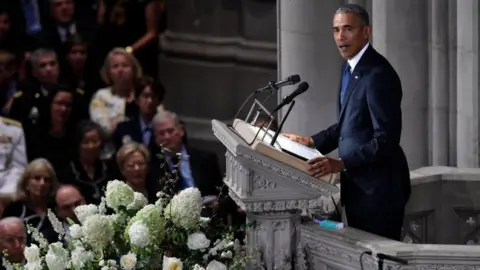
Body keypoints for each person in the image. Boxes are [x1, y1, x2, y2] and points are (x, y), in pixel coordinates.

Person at [284, 4, 410, 241]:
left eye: (348, 29)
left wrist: (341, 163)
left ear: (366, 32)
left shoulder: (378, 74)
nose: (340, 36)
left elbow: (386, 140)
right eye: (336, 30)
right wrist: (312, 141)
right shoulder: (349, 68)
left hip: (379, 192)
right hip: (358, 188)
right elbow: (349, 125)